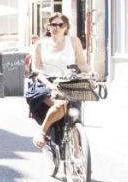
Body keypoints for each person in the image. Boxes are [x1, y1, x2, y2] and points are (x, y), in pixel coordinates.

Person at [26, 12, 90, 148]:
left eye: (60, 25)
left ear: (65, 27)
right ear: (48, 27)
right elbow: (37, 71)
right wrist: (50, 85)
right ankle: (42, 132)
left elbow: (82, 64)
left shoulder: (74, 41)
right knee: (61, 105)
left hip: (68, 81)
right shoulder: (40, 44)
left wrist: (90, 73)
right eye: (53, 24)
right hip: (45, 82)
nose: (56, 27)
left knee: (75, 116)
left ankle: (78, 154)